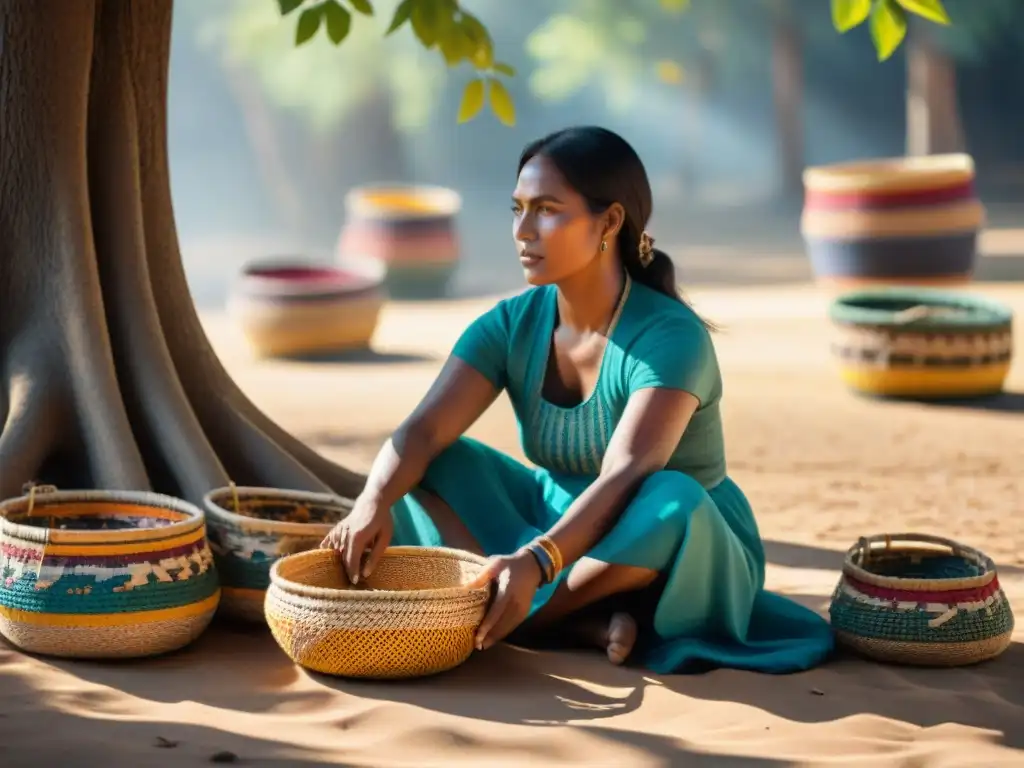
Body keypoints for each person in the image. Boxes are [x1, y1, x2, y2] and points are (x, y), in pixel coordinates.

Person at [322, 126, 835, 673]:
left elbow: (626, 473)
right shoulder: (510, 324)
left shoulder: (671, 337)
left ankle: (525, 618)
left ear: (610, 222)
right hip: (553, 520)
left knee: (672, 495)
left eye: (547, 210)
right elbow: (422, 430)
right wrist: (372, 498)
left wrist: (537, 561)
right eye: (517, 208)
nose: (523, 230)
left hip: (669, 542)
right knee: (429, 461)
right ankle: (571, 620)